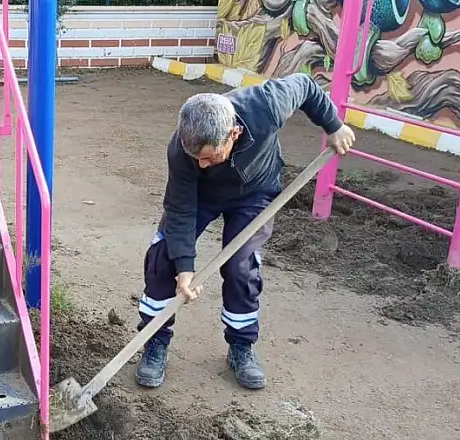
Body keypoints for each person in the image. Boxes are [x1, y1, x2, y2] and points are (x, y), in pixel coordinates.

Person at [135, 75, 356, 392]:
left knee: (241, 266)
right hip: (201, 197)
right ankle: (154, 341)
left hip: (255, 192)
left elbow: (307, 86)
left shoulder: (265, 105)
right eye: (196, 157)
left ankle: (241, 345)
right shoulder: (183, 152)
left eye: (210, 157)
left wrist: (333, 125)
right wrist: (185, 270)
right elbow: (181, 210)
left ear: (233, 134)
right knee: (163, 258)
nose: (202, 163)